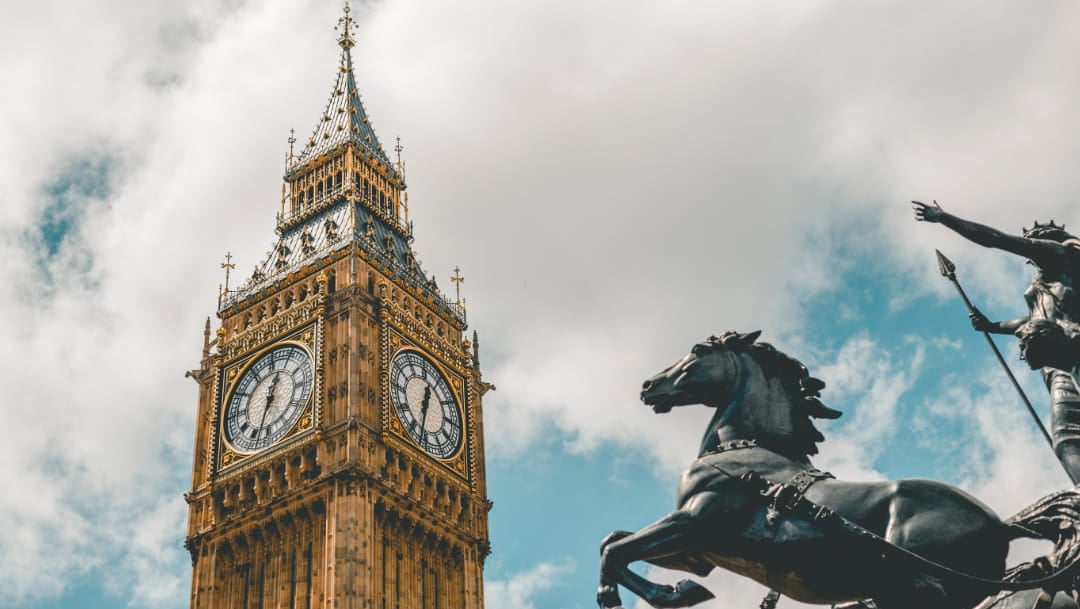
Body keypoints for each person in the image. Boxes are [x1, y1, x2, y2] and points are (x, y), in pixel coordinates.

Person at [913, 200, 1080, 479]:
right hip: (1056, 368)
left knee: (1068, 437)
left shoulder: (1062, 257)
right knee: (1066, 440)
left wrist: (944, 218)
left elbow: (994, 240)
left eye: (1032, 244)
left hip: (1074, 348)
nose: (1029, 250)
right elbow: (1032, 320)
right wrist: (993, 325)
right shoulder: (1044, 284)